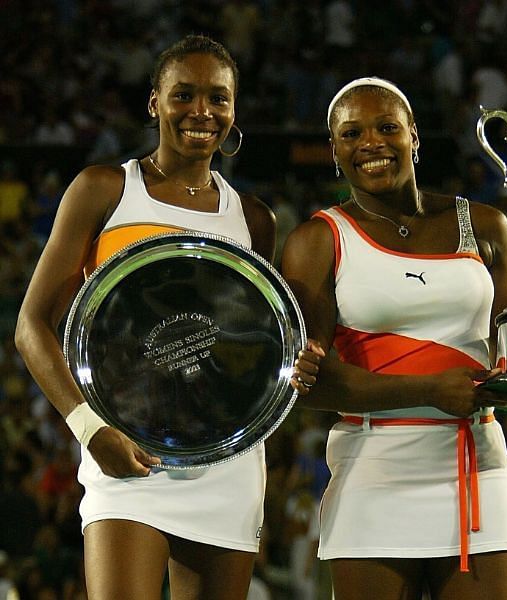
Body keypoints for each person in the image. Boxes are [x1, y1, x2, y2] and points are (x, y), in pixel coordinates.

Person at [14, 35, 321, 600]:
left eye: (218, 98)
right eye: (184, 94)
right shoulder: (103, 189)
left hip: (226, 466)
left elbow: (249, 346)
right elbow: (31, 325)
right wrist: (89, 429)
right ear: (154, 102)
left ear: (234, 109)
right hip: (123, 454)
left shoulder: (254, 220)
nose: (202, 111)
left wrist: (295, 363)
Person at [279, 77, 507, 600]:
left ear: (415, 136)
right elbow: (312, 384)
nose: (371, 143)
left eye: (386, 128)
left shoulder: (487, 225)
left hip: (478, 468)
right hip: (372, 475)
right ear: (335, 152)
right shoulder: (316, 240)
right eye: (352, 134)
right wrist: (427, 392)